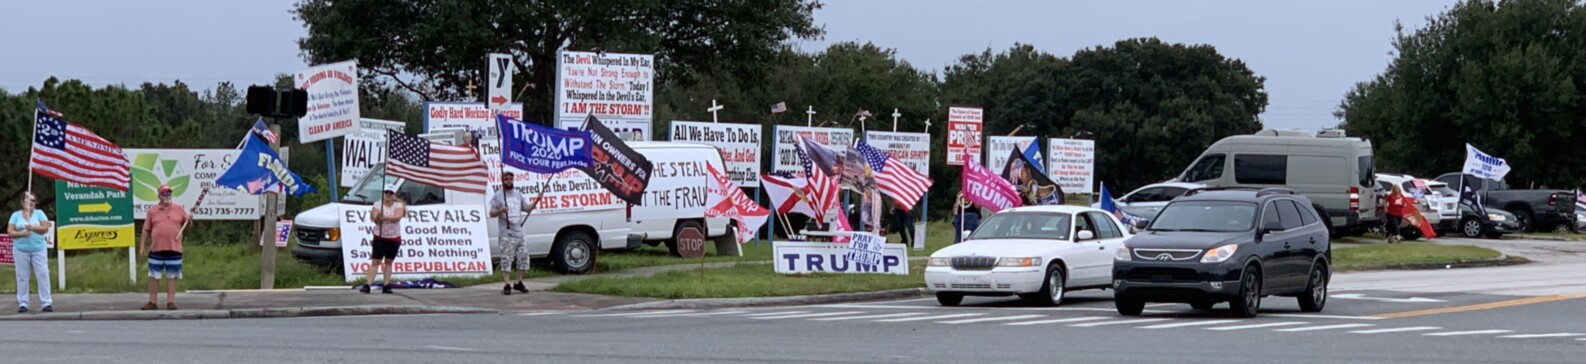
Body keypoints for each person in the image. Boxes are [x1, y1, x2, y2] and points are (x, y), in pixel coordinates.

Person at [489, 171, 545, 295]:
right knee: (507, 259)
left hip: (519, 232)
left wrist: (537, 200)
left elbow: (527, 208)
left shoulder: (518, 194)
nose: (509, 181)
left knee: (523, 258)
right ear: (502, 180)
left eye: (510, 179)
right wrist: (501, 210)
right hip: (506, 234)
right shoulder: (498, 196)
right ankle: (507, 284)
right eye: (506, 179)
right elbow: (491, 213)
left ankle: (518, 282)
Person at [140, 184, 189, 310]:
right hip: (156, 248)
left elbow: (187, 225)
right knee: (153, 276)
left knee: (172, 276)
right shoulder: (152, 211)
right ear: (159, 196)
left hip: (174, 248)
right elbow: (146, 230)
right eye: (164, 194)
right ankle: (152, 302)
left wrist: (190, 220)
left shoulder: (178, 209)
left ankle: (170, 302)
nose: (167, 196)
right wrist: (142, 247)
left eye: (169, 193)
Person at [8, 192, 53, 313]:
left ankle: (46, 302)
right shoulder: (16, 215)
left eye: (33, 201)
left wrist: (32, 228)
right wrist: (22, 233)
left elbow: (44, 228)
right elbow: (10, 232)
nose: (31, 203)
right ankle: (23, 303)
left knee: (42, 274)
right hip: (20, 250)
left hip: (38, 249)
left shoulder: (39, 214)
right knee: (22, 277)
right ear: (23, 202)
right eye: (28, 201)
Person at [362, 183, 406, 294]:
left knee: (389, 261)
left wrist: (385, 217)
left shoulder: (398, 206)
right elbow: (375, 220)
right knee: (376, 261)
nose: (388, 194)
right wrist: (377, 216)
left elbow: (397, 217)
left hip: (393, 237)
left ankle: (386, 284)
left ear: (393, 194)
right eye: (386, 192)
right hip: (380, 236)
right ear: (383, 193)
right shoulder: (377, 205)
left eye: (390, 193)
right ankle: (368, 284)